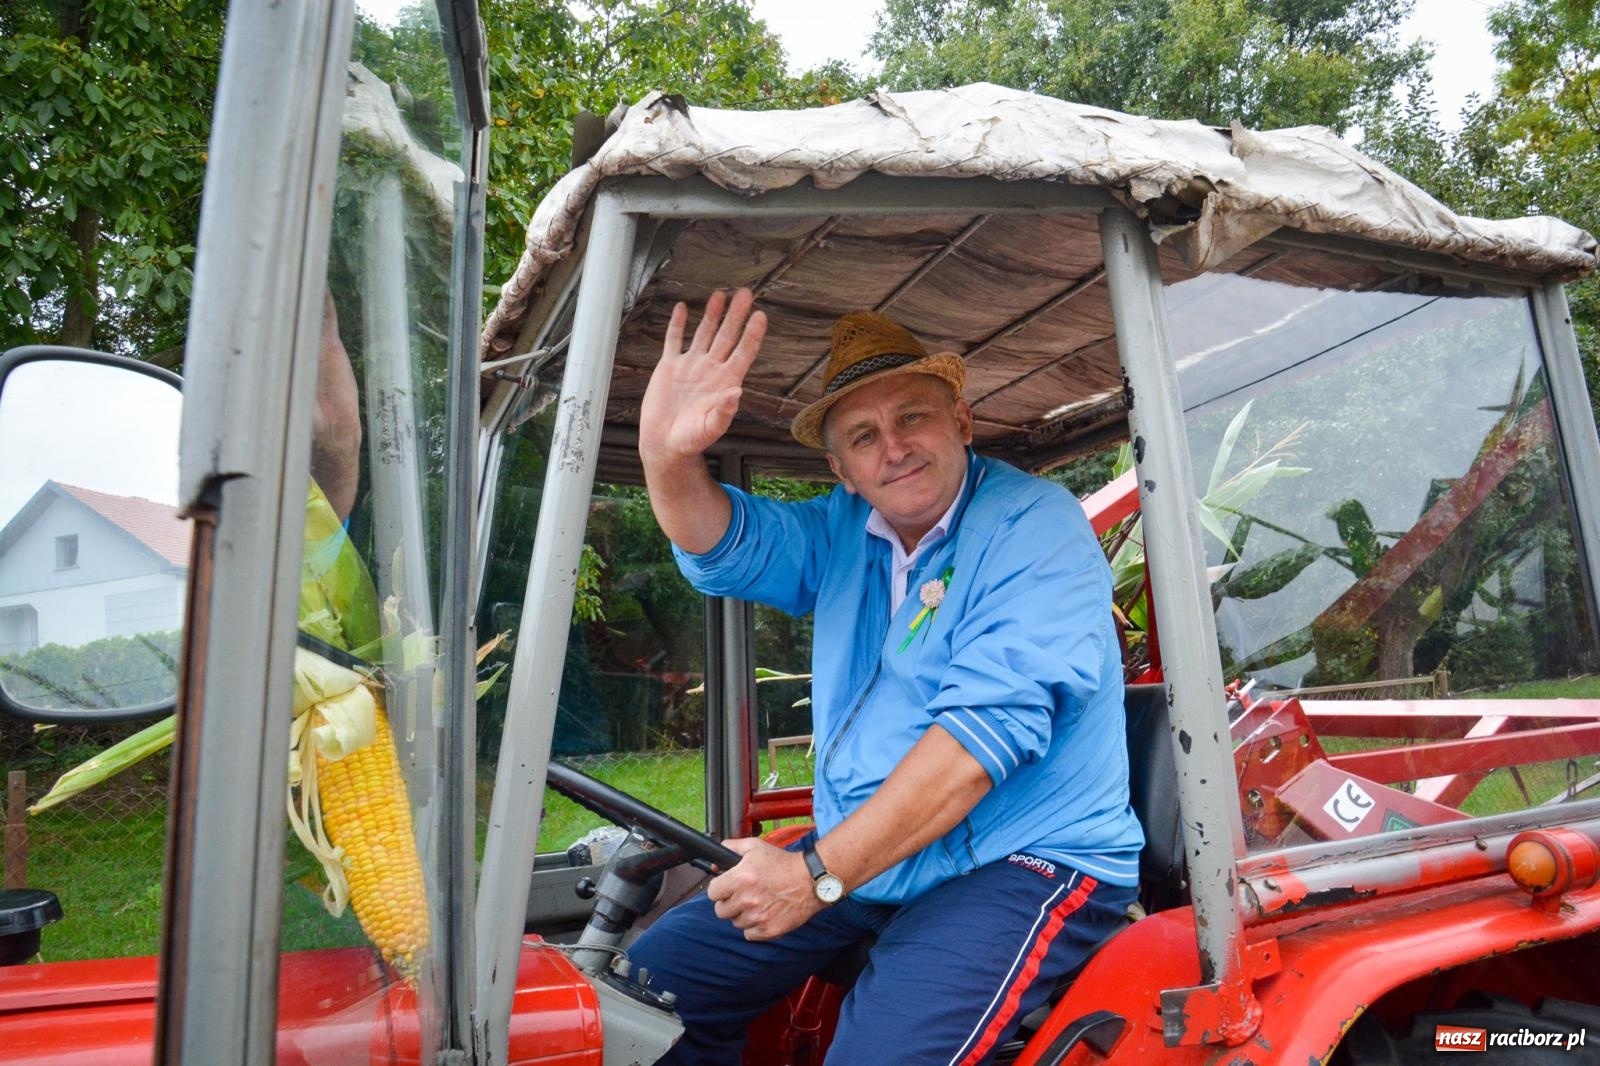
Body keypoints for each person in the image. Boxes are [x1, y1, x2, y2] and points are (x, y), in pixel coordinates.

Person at [628, 289, 1143, 1064]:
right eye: (864, 436)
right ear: (841, 469)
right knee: (647, 989)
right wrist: (665, 458)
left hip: (1020, 854)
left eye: (913, 416)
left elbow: (977, 746)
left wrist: (811, 876)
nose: (893, 448)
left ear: (961, 422)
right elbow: (724, 544)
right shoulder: (844, 529)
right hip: (874, 851)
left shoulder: (1033, 527)